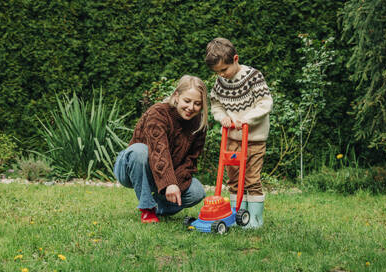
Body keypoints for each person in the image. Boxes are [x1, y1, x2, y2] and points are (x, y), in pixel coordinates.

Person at [114, 75, 208, 223]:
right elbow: (159, 150)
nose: (191, 108)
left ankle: (157, 206)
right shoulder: (158, 113)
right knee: (140, 151)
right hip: (134, 167)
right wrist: (169, 183)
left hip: (164, 174)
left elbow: (190, 162)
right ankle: (147, 209)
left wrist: (174, 183)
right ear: (177, 96)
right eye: (187, 101)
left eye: (197, 104)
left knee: (197, 192)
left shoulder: (199, 125)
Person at [205, 37, 273, 229]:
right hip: (232, 138)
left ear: (235, 58)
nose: (222, 75)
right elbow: (216, 104)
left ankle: (255, 220)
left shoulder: (253, 77)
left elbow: (265, 103)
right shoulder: (220, 83)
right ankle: (237, 217)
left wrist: (247, 119)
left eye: (224, 69)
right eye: (217, 72)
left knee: (251, 178)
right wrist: (222, 118)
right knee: (234, 178)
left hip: (254, 138)